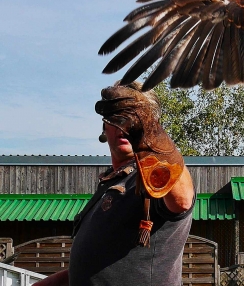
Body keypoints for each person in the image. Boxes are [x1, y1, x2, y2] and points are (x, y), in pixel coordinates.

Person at [35, 81, 195, 286]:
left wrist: (150, 132)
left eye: (134, 118)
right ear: (104, 126)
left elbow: (181, 200)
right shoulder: (110, 184)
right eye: (117, 117)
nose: (126, 125)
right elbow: (95, 269)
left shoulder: (155, 176)